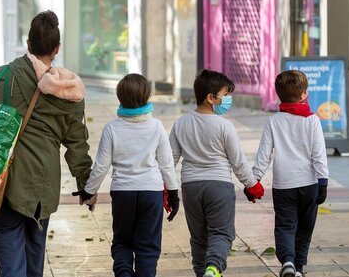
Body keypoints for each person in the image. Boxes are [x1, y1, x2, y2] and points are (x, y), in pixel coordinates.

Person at [0, 10, 93, 277]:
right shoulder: (70, 90)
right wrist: (86, 185)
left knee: (8, 248)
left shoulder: (6, 75)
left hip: (6, 182)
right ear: (57, 48)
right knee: (34, 259)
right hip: (42, 186)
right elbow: (77, 144)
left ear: (28, 43)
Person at [78, 73, 180, 277]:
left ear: (120, 98)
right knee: (148, 246)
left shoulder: (112, 128)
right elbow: (167, 165)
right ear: (147, 97)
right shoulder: (157, 126)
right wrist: (174, 193)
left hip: (123, 193)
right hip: (152, 192)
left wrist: (89, 192)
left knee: (122, 241)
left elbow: (101, 167)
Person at [169, 69, 265, 277]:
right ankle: (213, 268)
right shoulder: (224, 126)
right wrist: (252, 186)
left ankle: (201, 272)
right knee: (221, 233)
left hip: (191, 187)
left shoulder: (181, 124)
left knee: (198, 237)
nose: (228, 99)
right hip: (219, 186)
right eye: (225, 95)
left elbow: (170, 161)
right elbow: (238, 162)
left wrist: (166, 188)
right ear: (211, 98)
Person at [250, 70, 329, 277]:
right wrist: (323, 181)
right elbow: (319, 154)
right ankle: (299, 268)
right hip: (309, 184)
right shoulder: (312, 120)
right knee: (305, 227)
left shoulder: (273, 121)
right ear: (304, 94)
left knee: (285, 225)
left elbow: (263, 156)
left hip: (283, 185)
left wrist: (254, 179)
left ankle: (287, 262)